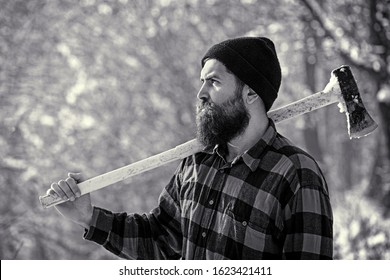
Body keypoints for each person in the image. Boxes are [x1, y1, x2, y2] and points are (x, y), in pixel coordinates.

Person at [48, 37, 333, 259]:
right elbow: (160, 239)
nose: (201, 93)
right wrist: (88, 217)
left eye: (214, 81)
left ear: (251, 93)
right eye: (202, 81)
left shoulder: (296, 175)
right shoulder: (198, 162)